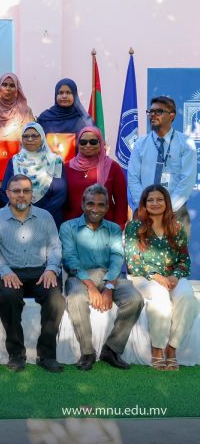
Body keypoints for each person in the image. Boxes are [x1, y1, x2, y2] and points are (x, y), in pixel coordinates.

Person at [61, 184, 144, 371]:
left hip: (111, 277)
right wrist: (91, 287)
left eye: (101, 205)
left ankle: (112, 350)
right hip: (80, 277)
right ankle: (87, 352)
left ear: (107, 207)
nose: (95, 209)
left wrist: (109, 287)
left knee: (135, 299)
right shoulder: (68, 227)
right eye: (90, 204)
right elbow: (71, 259)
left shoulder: (114, 229)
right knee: (76, 298)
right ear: (83, 204)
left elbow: (117, 258)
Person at [0, 174, 65, 373]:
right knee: (8, 296)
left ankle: (47, 355)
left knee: (55, 299)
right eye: (16, 191)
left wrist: (51, 269)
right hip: (9, 272)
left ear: (32, 194)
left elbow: (55, 247)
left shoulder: (45, 217)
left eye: (26, 191)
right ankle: (16, 354)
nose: (21, 195)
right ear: (7, 194)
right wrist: (4, 270)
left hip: (40, 271)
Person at [125, 185, 198, 371]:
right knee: (160, 298)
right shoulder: (134, 226)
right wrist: (156, 276)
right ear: (144, 203)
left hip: (171, 277)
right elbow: (132, 262)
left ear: (167, 202)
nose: (155, 203)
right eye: (150, 200)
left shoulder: (177, 227)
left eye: (159, 199)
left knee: (188, 297)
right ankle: (157, 349)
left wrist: (175, 276)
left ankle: (172, 347)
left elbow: (184, 260)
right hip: (144, 277)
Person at [127, 96, 197, 232]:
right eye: (150, 111)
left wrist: (168, 209)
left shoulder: (186, 144)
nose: (152, 115)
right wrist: (146, 206)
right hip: (144, 214)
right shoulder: (140, 144)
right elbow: (133, 178)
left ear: (172, 115)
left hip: (175, 213)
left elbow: (187, 182)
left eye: (158, 111)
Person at [0, 123, 67, 227]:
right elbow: (5, 191)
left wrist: (39, 216)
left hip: (49, 219)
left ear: (42, 137)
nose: (30, 139)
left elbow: (60, 195)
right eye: (25, 136)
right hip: (19, 219)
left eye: (34, 136)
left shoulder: (55, 161)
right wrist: (19, 212)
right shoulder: (14, 161)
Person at [64, 126, 127, 229]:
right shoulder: (66, 167)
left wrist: (119, 226)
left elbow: (121, 202)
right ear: (78, 144)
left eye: (93, 142)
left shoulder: (113, 167)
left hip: (105, 228)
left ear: (100, 143)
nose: (88, 145)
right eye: (83, 142)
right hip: (73, 228)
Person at [0, 73, 34, 183]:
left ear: (17, 89)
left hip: (19, 172)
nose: (8, 88)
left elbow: (32, 142)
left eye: (12, 85)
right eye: (4, 84)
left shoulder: (25, 112)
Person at [36, 79, 93, 162]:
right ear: (56, 95)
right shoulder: (44, 118)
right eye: (61, 93)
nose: (64, 96)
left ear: (75, 95)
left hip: (77, 166)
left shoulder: (84, 120)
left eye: (68, 93)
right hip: (48, 167)